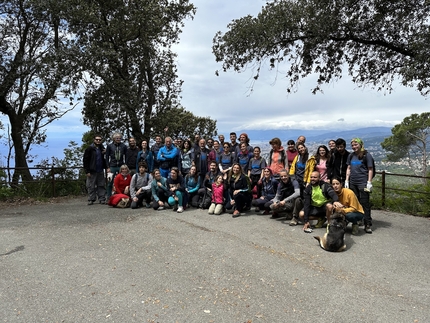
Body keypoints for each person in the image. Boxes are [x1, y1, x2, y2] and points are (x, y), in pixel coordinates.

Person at [345, 138, 375, 234]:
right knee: (355, 203)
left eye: (356, 145)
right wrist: (347, 180)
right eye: (352, 145)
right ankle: (358, 220)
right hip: (353, 182)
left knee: (365, 203)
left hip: (363, 182)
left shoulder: (366, 155)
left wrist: (369, 182)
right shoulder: (351, 156)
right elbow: (349, 168)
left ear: (361, 144)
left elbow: (370, 169)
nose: (354, 147)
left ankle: (367, 224)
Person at [83, 134, 108, 205]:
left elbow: (104, 159)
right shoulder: (89, 149)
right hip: (92, 170)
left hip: (100, 170)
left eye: (99, 140)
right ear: (94, 140)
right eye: (97, 139)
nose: (98, 141)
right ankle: (91, 199)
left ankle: (102, 198)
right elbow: (85, 160)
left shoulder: (102, 149)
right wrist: (87, 171)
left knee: (101, 185)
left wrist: (106, 167)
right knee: (91, 186)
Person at [105, 132, 127, 199]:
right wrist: (108, 167)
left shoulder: (123, 146)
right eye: (117, 138)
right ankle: (108, 197)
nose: (118, 139)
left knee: (122, 181)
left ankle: (121, 196)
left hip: (121, 165)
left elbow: (126, 156)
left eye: (119, 138)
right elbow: (107, 156)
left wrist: (125, 165)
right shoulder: (110, 146)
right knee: (110, 182)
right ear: (114, 139)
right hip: (112, 165)